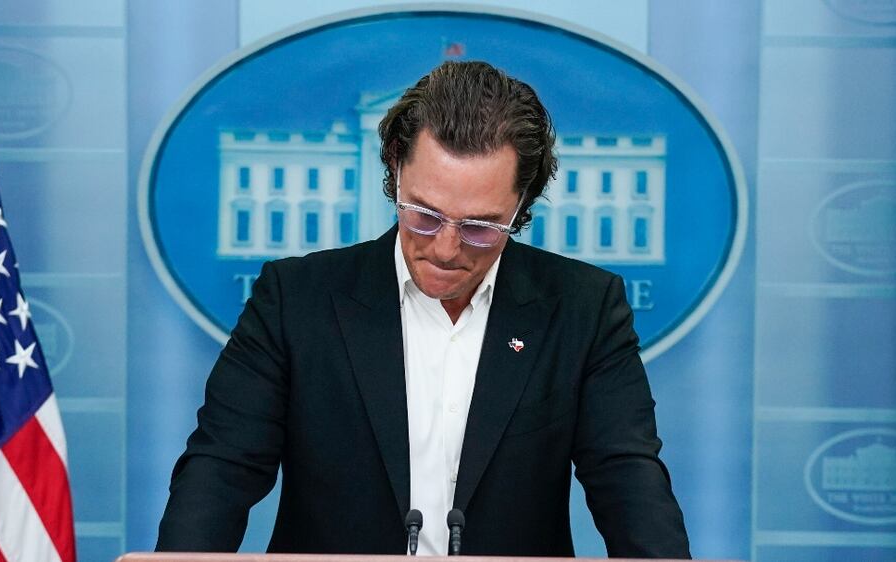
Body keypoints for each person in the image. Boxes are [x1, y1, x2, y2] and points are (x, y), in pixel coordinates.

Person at [157, 61, 690, 558]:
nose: (445, 248)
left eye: (481, 227)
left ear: (522, 204)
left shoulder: (583, 307)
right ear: (394, 166)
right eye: (424, 215)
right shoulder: (295, 297)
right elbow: (222, 466)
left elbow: (626, 477)